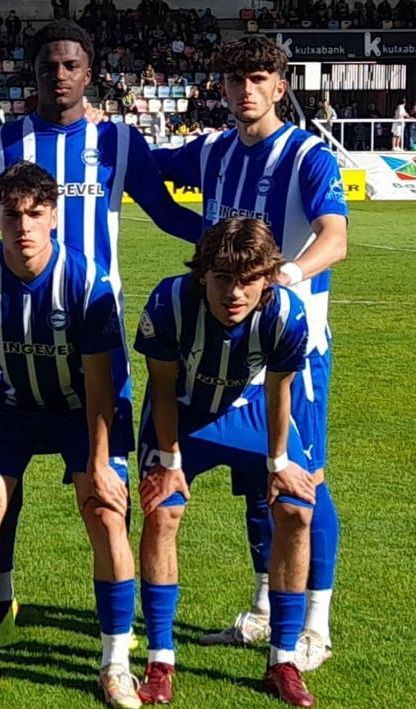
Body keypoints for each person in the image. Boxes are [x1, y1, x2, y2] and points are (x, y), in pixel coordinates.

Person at [0, 19, 202, 647]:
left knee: (104, 490)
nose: (59, 74)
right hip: (11, 334)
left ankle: (116, 643)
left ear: (89, 72)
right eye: (49, 65)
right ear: (33, 71)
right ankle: (1, 594)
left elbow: (166, 212)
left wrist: (233, 248)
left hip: (94, 333)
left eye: (71, 65)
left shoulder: (119, 142)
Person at [150, 34, 348, 673]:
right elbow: (153, 172)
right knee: (252, 486)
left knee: (301, 482)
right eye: (236, 79)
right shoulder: (213, 152)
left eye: (258, 78)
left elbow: (335, 236)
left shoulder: (306, 156)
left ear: (279, 86)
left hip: (292, 345)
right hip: (219, 343)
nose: (246, 90)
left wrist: (288, 275)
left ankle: (316, 622)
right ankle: (265, 607)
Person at [0, 161, 138, 709]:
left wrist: (99, 463)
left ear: (54, 216)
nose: (23, 226)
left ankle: (115, 663)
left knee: (105, 510)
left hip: (82, 411)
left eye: (35, 214)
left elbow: (102, 385)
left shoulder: (86, 280)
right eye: (12, 215)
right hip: (12, 408)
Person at [133, 217, 317, 708]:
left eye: (249, 280)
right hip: (184, 411)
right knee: (163, 509)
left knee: (297, 509)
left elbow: (282, 391)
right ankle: (160, 658)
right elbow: (164, 388)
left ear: (268, 278)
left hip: (250, 409)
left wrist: (279, 461)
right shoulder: (170, 303)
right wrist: (169, 459)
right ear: (201, 275)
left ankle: (283, 658)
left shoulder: (286, 314)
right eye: (222, 278)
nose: (235, 293)